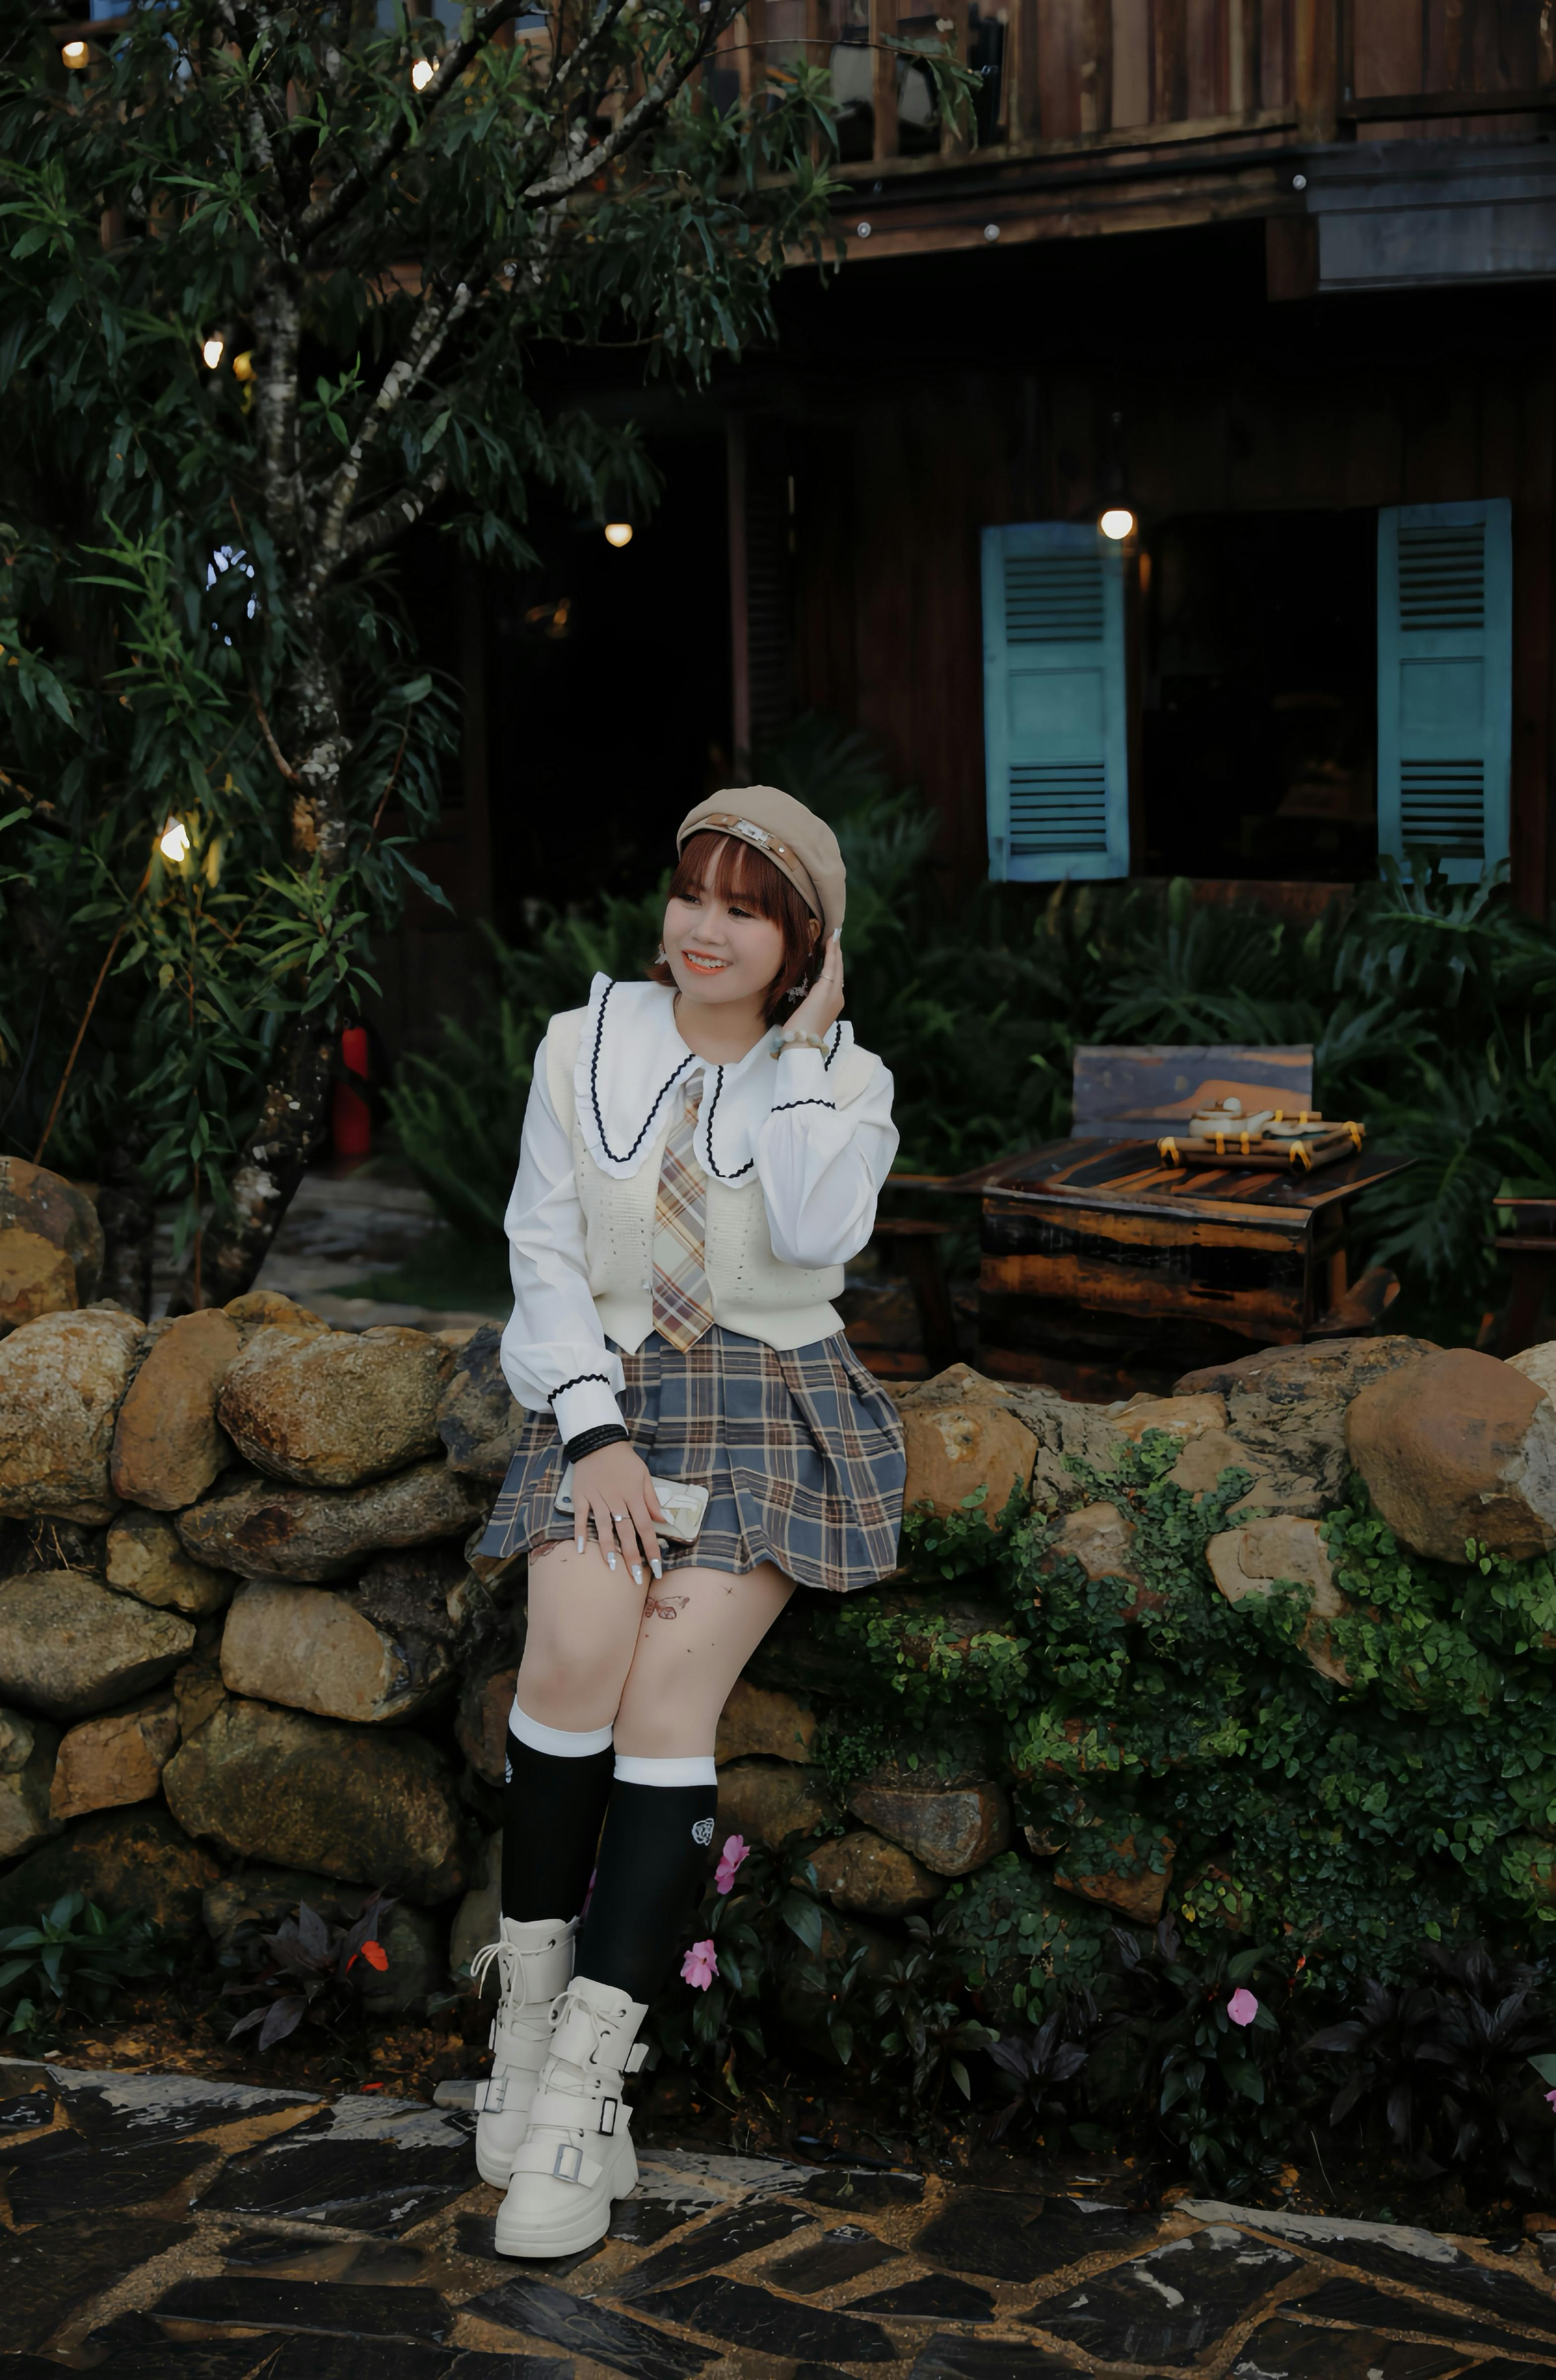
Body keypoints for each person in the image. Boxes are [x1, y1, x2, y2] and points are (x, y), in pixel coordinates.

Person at [470, 786, 906, 2258]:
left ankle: (590, 2093)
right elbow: (539, 1249)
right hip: (607, 1393)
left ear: (803, 944)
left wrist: (795, 1055)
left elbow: (807, 1237)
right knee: (566, 1661)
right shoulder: (582, 1047)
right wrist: (589, 1427)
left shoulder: (845, 1088)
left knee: (665, 1689)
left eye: (746, 909)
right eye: (691, 895)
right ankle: (525, 2033)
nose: (703, 930)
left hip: (770, 1397)